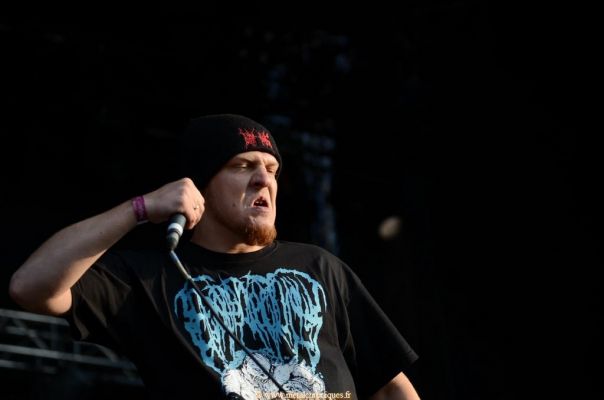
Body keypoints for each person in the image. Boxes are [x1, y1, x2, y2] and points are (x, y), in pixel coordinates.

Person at [9, 114, 421, 399]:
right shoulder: (152, 276)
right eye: (243, 165)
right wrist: (140, 209)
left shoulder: (320, 267)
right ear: (198, 186)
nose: (263, 179)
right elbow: (30, 287)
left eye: (272, 169)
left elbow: (390, 387)